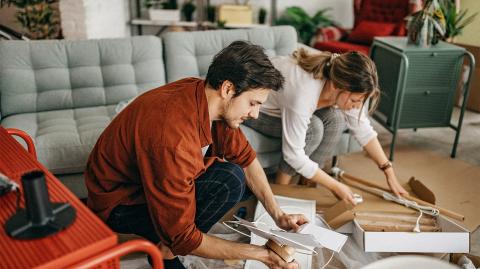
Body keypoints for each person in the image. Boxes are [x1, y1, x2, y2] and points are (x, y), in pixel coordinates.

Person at [85, 41, 306, 269]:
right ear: (228, 89)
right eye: (253, 103)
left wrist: (278, 214)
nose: (256, 114)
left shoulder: (203, 95)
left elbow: (246, 159)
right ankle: (165, 250)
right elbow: (184, 237)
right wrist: (262, 255)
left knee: (231, 177)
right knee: (182, 235)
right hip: (119, 205)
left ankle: (168, 244)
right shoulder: (173, 139)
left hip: (144, 183)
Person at [243, 49, 409, 205]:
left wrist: (389, 172)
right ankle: (281, 190)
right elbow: (293, 155)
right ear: (336, 86)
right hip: (254, 108)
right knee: (313, 128)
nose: (356, 106)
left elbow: (363, 131)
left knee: (335, 119)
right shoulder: (304, 91)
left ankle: (307, 185)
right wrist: (335, 185)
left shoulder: (337, 79)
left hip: (283, 108)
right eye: (354, 101)